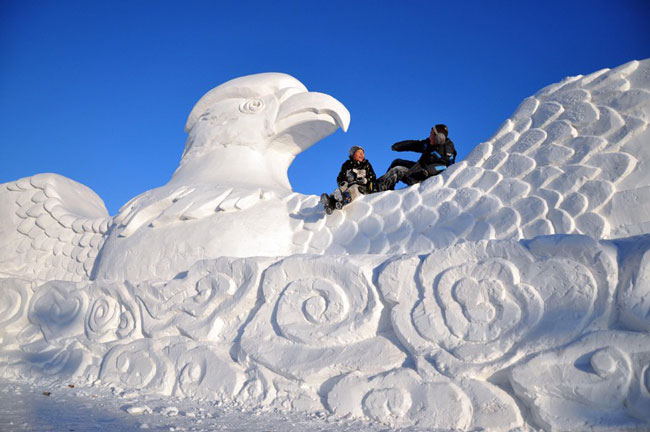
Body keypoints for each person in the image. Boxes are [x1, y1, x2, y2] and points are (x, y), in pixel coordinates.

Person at [376, 124, 456, 191]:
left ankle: (378, 190)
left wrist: (427, 171)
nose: (429, 136)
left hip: (423, 176)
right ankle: (385, 186)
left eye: (431, 134)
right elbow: (414, 144)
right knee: (396, 162)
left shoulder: (446, 150)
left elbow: (445, 167)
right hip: (418, 168)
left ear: (438, 138)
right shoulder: (429, 143)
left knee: (397, 170)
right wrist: (398, 146)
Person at [321, 146, 376, 214]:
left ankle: (344, 199)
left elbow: (373, 176)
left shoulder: (366, 164)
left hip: (362, 187)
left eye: (363, 153)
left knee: (354, 187)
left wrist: (366, 180)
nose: (362, 154)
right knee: (342, 188)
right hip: (348, 185)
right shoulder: (346, 165)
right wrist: (342, 182)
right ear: (352, 154)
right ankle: (330, 202)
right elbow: (339, 177)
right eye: (359, 152)